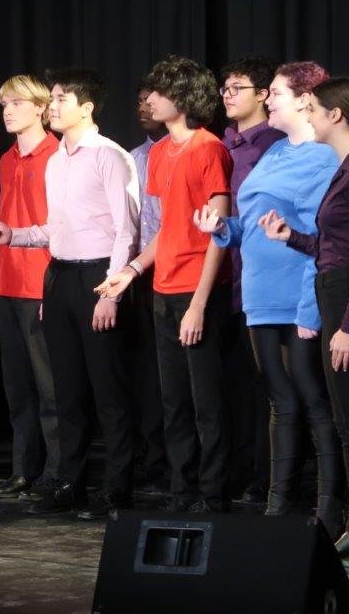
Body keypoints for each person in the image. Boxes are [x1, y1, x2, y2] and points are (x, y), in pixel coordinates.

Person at [0, 68, 139, 518]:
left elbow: (126, 230)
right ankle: (69, 483)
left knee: (108, 391)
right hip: (59, 276)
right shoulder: (58, 160)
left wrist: (112, 291)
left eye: (62, 99)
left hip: (99, 276)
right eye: (54, 97)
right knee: (68, 389)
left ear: (87, 106)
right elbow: (52, 229)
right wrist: (11, 235)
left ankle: (117, 489)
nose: (55, 105)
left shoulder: (110, 155)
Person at [203, 61, 340, 536]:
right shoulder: (276, 152)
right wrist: (222, 228)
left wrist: (309, 309)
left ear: (306, 100)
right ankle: (277, 505)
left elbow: (322, 239)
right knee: (280, 402)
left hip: (298, 296)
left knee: (315, 401)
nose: (271, 99)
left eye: (278, 92)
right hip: (260, 295)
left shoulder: (324, 159)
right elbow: (253, 223)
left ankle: (328, 508)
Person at [97, 55, 233, 513]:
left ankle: (213, 493)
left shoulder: (209, 148)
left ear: (182, 98)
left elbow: (219, 232)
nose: (149, 100)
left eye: (158, 92)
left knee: (206, 401)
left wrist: (198, 303)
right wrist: (132, 271)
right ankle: (182, 489)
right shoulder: (158, 153)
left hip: (199, 290)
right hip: (163, 288)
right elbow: (168, 229)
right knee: (172, 401)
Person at [261, 76, 349, 552]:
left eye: (314, 109)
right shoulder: (342, 168)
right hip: (333, 286)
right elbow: (335, 247)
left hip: (344, 300)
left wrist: (347, 327)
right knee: (342, 417)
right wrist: (290, 237)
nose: (309, 117)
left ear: (335, 115)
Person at [0, 75, 62, 501]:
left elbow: (60, 227)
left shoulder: (57, 155)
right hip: (4, 281)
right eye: (3, 104)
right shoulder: (6, 159)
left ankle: (56, 473)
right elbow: (12, 218)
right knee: (16, 386)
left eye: (14, 102)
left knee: (49, 387)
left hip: (40, 282)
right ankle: (21, 470)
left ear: (39, 107)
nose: (7, 110)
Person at [218, 56, 285, 503]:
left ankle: (270, 480)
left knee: (272, 389)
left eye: (237, 87)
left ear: (263, 94)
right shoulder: (223, 143)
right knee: (237, 387)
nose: (227, 94)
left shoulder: (274, 145)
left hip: (268, 281)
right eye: (225, 87)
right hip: (227, 277)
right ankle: (241, 472)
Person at [126, 82, 169, 493]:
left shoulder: (190, 150)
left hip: (174, 273)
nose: (144, 107)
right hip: (139, 275)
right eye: (139, 101)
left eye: (150, 100)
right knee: (145, 373)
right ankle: (153, 459)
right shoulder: (134, 158)